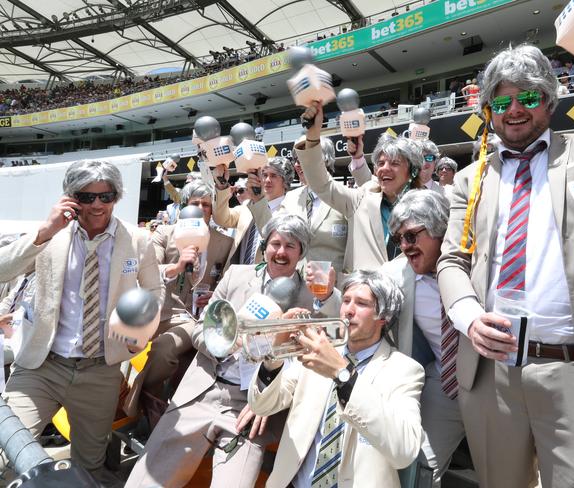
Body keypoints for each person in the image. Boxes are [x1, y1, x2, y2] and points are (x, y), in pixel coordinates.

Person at [437, 11, 574, 487]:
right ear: (487, 110)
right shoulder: (472, 180)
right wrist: (469, 315)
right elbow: (452, 260)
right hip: (493, 379)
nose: (514, 110)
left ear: (549, 102)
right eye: (501, 102)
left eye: (528, 98)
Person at [125, 214, 341, 488]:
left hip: (252, 411)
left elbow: (333, 332)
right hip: (203, 392)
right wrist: (224, 341)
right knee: (146, 480)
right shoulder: (238, 276)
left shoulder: (312, 296)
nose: (281, 252)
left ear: (301, 254)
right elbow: (199, 329)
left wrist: (268, 398)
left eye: (290, 246)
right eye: (275, 243)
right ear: (265, 246)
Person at [0, 160, 163, 486]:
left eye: (107, 196)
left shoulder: (138, 240)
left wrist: (141, 331)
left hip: (100, 370)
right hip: (40, 366)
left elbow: (154, 292)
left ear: (117, 196)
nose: (98, 204)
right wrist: (45, 231)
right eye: (87, 197)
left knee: (89, 470)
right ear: (71, 198)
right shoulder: (49, 235)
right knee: (9, 453)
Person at [248, 270, 425, 488]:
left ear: (384, 317)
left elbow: (404, 451)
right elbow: (262, 405)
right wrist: (273, 356)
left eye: (361, 303)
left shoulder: (404, 370)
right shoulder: (317, 350)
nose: (348, 310)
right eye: (346, 300)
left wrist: (343, 374)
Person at [123, 180, 233, 418]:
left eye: (207, 204)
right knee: (117, 344)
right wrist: (177, 266)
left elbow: (226, 282)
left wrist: (216, 295)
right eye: (196, 204)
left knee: (164, 350)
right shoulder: (164, 233)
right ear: (184, 207)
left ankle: (139, 402)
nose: (202, 209)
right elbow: (147, 270)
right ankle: (142, 400)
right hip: (156, 309)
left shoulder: (225, 242)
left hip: (191, 318)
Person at [381, 189, 464, 487]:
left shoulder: (480, 265)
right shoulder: (394, 275)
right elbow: (357, 307)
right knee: (416, 470)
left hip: (495, 389)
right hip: (443, 386)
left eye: (412, 236)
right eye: (399, 239)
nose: (405, 246)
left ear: (440, 228)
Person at [297, 104, 425, 273]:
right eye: (380, 163)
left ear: (412, 171)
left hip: (411, 294)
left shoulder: (427, 206)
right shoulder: (360, 199)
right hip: (363, 294)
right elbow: (321, 183)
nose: (384, 168)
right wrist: (313, 135)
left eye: (394, 163)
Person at [252, 136, 369, 285]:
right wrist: (257, 199)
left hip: (332, 290)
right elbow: (270, 233)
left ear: (323, 160)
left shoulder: (346, 197)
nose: (297, 165)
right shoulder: (291, 198)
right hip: (292, 287)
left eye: (303, 159)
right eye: (296, 159)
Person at [213, 157, 294, 269]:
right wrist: (221, 185)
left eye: (273, 176)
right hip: (238, 276)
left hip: (266, 276)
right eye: (264, 175)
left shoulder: (290, 210)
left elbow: (273, 237)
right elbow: (221, 219)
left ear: (285, 182)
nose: (267, 180)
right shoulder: (247, 206)